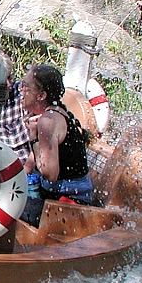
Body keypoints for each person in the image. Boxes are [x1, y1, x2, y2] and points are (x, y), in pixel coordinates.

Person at [20, 64, 94, 226]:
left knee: (4, 204)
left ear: (41, 95)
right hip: (60, 199)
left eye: (25, 86)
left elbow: (50, 174)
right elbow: (33, 160)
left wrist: (33, 136)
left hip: (70, 207)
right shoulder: (54, 113)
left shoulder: (48, 121)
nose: (21, 90)